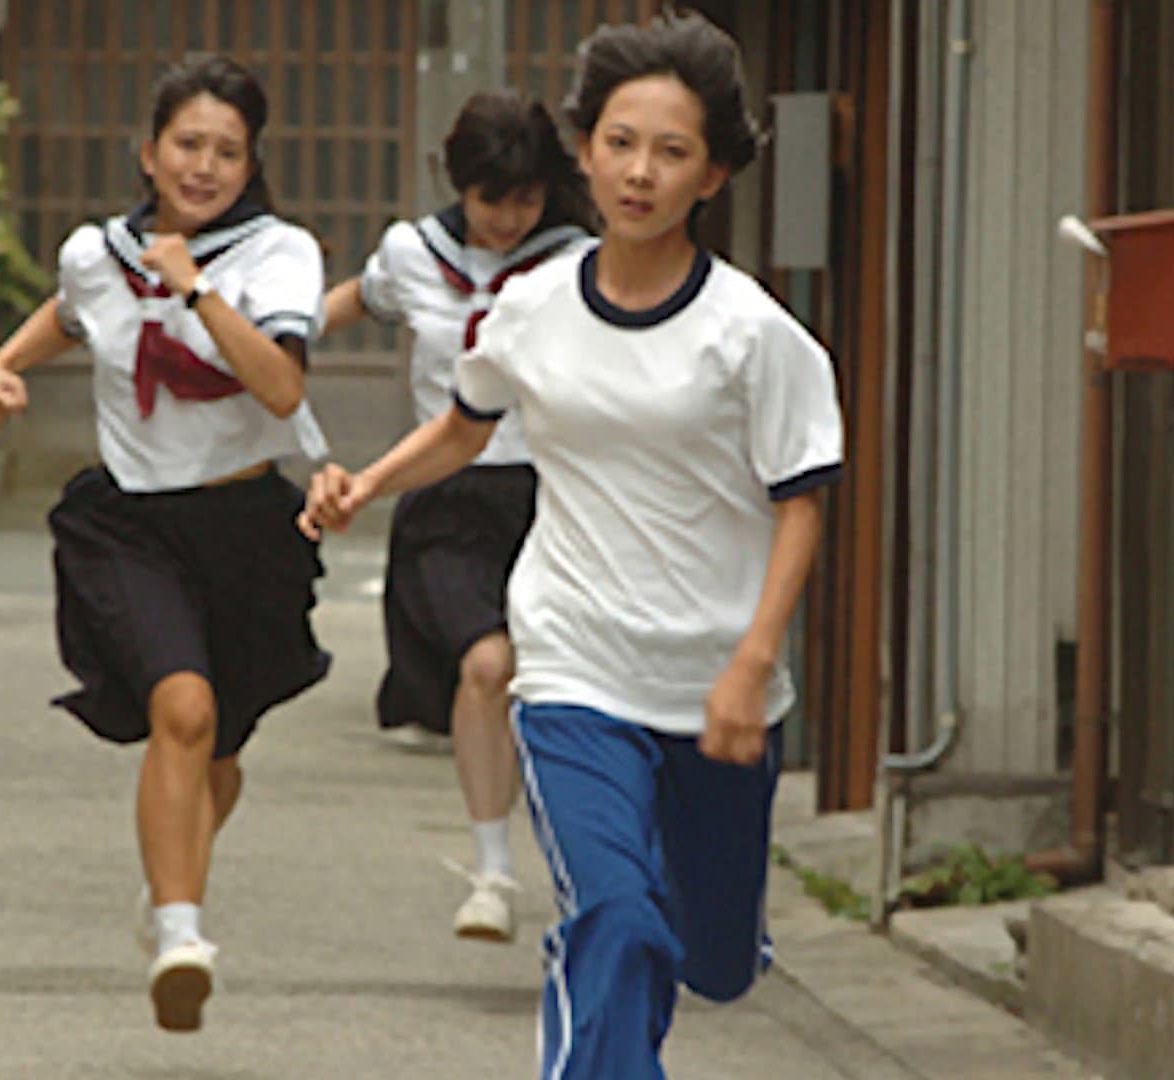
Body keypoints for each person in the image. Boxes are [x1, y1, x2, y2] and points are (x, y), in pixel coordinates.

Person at [300, 11, 844, 1077]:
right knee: (617, 923)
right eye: (620, 143)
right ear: (586, 152)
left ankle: (720, 935)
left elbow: (803, 506)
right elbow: (466, 424)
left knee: (714, 961)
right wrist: (366, 484)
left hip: (716, 688)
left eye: (672, 151)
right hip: (574, 670)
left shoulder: (755, 335)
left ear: (713, 174)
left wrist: (752, 662)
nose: (640, 172)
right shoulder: (532, 307)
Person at [0, 54, 330, 1034]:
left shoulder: (280, 255)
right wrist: (1, 367)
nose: (203, 166)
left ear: (251, 163)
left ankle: (169, 885)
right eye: (187, 145)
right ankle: (181, 933)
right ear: (149, 152)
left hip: (247, 527)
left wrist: (201, 291)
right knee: (183, 708)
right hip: (132, 524)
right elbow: (68, 313)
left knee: (221, 752)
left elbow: (283, 388)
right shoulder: (99, 253)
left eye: (225, 150)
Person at [320, 89, 590, 943]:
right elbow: (360, 298)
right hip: (447, 494)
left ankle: (585, 868)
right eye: (491, 200)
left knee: (563, 692)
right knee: (487, 664)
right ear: (459, 185)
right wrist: (271, 336)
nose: (509, 219)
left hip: (554, 495)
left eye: (526, 198)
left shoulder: (577, 262)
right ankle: (493, 873)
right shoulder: (413, 252)